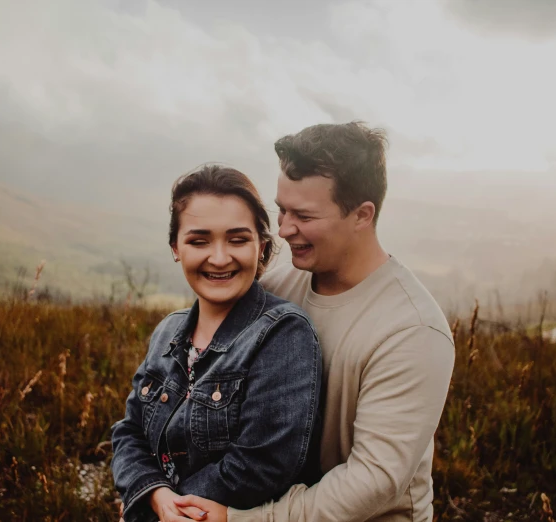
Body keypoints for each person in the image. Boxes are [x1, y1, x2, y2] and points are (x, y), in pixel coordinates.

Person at [172, 122, 456, 522]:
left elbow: (373, 479)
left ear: (362, 215)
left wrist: (233, 519)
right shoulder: (275, 286)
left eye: (303, 215)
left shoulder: (412, 331)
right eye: (282, 209)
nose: (285, 229)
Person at [111, 165, 323, 522]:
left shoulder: (283, 333)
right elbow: (130, 431)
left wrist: (166, 508)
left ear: (263, 248)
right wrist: (153, 495)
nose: (220, 257)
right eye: (199, 240)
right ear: (176, 248)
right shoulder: (168, 331)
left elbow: (262, 463)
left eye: (238, 239)